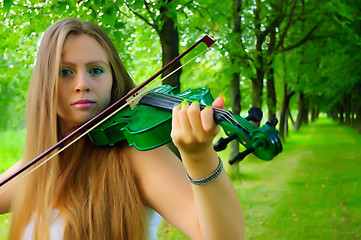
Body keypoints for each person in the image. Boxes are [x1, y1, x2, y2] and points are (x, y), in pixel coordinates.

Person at [0, 18, 244, 240]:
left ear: (113, 78)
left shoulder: (137, 155)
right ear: (45, 84)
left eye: (96, 70)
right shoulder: (41, 164)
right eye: (65, 72)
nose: (82, 84)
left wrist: (199, 156)